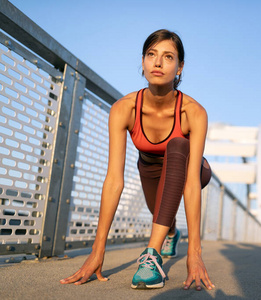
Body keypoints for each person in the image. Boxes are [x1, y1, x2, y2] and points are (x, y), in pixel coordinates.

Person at [60, 29, 215, 291]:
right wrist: (98, 250)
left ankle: (150, 257)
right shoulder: (124, 108)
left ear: (179, 68)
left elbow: (189, 185)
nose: (157, 62)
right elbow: (113, 180)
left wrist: (195, 253)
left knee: (178, 145)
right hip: (150, 169)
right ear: (142, 61)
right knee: (160, 212)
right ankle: (170, 232)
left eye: (168, 57)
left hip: (192, 169)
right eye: (151, 54)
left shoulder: (194, 112)